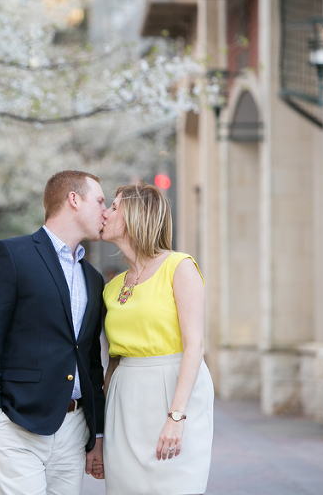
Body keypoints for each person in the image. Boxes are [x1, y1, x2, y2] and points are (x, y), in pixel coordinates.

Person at [0, 170, 107, 495]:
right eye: (100, 200)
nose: (106, 209)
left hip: (73, 427)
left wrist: (96, 432)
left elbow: (89, 360)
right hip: (15, 424)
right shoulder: (12, 255)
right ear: (74, 199)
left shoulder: (94, 278)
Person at [95, 183, 214, 494]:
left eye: (114, 207)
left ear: (136, 215)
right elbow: (113, 360)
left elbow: (194, 348)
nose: (105, 214)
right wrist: (102, 432)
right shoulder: (111, 287)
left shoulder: (179, 267)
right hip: (124, 402)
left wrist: (176, 417)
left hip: (174, 393)